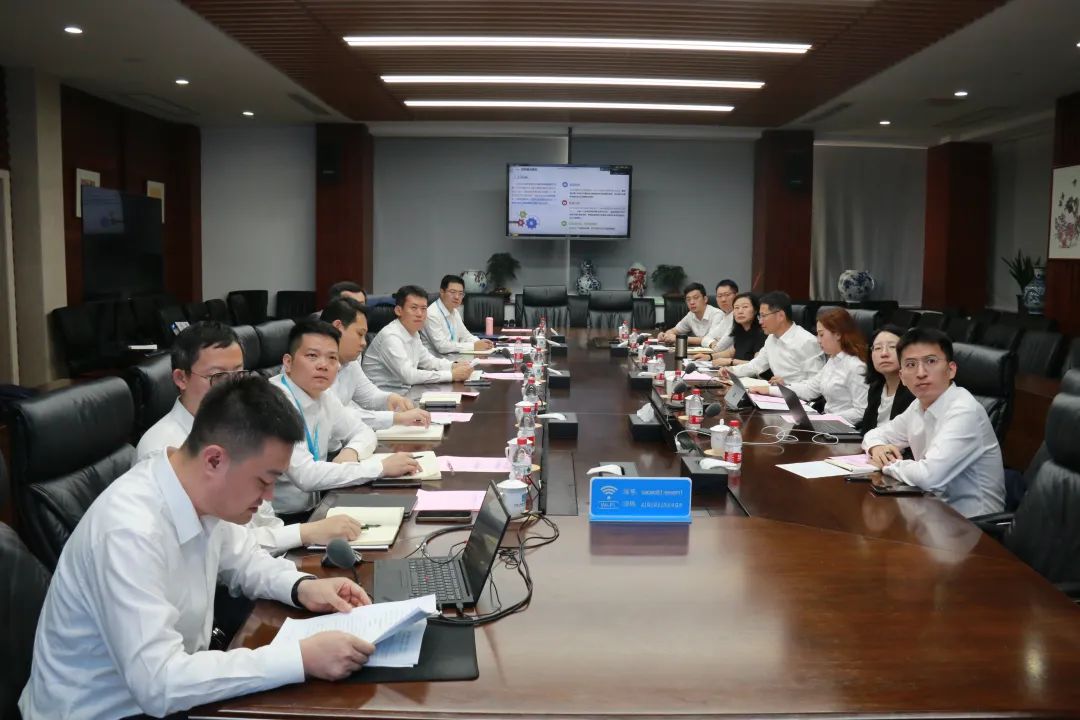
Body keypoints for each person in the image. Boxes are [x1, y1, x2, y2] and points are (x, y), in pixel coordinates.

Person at [20, 376, 377, 720]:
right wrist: (299, 658)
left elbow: (245, 561)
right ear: (214, 460)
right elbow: (159, 683)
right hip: (110, 711)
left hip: (171, 691)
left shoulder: (197, 489)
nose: (269, 496)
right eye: (264, 481)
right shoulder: (129, 532)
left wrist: (303, 587)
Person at [135, 322, 364, 552]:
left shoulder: (239, 424)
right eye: (218, 376)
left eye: (239, 374)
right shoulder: (162, 449)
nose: (233, 387)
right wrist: (304, 534)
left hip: (267, 555)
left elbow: (265, 518)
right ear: (181, 378)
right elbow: (223, 548)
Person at [271, 319, 421, 517]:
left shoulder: (324, 395)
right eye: (312, 356)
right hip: (281, 520)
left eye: (332, 358)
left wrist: (352, 451)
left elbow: (363, 431)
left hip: (318, 505)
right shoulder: (273, 402)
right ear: (288, 362)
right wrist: (380, 468)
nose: (323, 365)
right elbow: (305, 475)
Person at [862, 327, 1005, 518]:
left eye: (931, 361)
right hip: (928, 509)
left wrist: (888, 464)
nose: (921, 373)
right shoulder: (918, 405)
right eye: (911, 364)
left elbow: (928, 477)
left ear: (951, 370)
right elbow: (875, 434)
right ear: (902, 376)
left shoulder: (964, 411)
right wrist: (877, 447)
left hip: (970, 523)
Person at [320, 297, 430, 428]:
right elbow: (338, 415)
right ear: (338, 327)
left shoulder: (350, 362)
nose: (364, 343)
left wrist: (391, 398)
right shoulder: (317, 368)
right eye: (359, 334)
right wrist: (396, 418)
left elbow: (369, 395)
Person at [748, 307, 868, 424]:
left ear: (838, 334)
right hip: (828, 422)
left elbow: (861, 411)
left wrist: (827, 419)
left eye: (821, 335)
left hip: (843, 427)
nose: (818, 340)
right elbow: (810, 389)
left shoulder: (856, 366)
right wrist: (769, 390)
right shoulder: (833, 360)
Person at [362, 285, 473, 392]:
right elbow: (409, 376)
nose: (420, 314)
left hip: (405, 392)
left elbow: (427, 361)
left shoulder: (413, 332)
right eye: (414, 308)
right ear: (398, 310)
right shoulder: (391, 337)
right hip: (385, 397)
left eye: (424, 309)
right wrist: (451, 375)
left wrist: (453, 365)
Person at [723, 290, 825, 385]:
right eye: (759, 316)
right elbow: (756, 365)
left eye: (764, 316)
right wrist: (731, 371)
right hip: (778, 393)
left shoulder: (807, 341)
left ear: (781, 316)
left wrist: (787, 385)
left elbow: (817, 384)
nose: (760, 321)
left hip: (798, 396)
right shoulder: (771, 338)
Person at [856, 324, 916, 434]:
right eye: (878, 348)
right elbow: (866, 431)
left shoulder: (915, 391)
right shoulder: (875, 388)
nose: (884, 354)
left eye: (892, 347)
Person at [422, 274, 494, 356]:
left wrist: (481, 343)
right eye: (453, 292)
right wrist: (474, 346)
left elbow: (465, 335)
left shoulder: (454, 311)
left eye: (460, 293)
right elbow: (442, 347)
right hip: (438, 361)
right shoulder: (432, 314)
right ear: (442, 292)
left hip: (454, 358)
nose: (457, 297)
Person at [699, 291, 765, 367]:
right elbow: (731, 352)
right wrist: (709, 357)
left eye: (745, 307)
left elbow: (757, 365)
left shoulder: (761, 334)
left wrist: (730, 362)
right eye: (736, 308)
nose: (740, 311)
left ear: (755, 310)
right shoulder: (741, 331)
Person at [659, 282, 728, 347]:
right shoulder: (690, 315)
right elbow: (674, 330)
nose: (692, 302)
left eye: (696, 298)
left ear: (705, 299)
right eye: (688, 299)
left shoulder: (717, 314)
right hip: (699, 352)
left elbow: (710, 339)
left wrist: (680, 338)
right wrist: (665, 335)